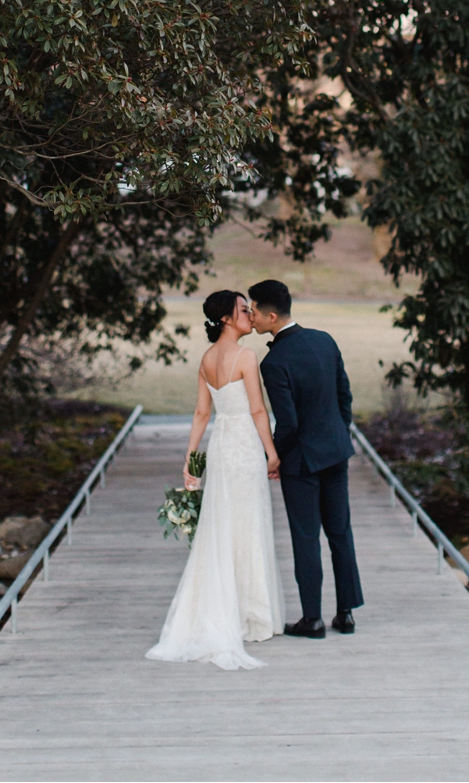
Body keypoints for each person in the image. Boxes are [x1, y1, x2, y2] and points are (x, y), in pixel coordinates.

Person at [145, 289, 285, 670]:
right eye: (243, 310)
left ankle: (231, 609)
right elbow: (258, 409)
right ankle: (251, 616)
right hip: (243, 449)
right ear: (226, 318)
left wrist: (192, 460)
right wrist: (271, 452)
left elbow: (201, 415)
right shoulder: (246, 356)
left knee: (223, 524)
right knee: (248, 524)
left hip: (222, 449)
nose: (249, 315)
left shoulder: (207, 360)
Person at [249, 279, 364, 638]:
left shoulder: (273, 362)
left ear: (270, 316)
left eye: (253, 311)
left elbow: (289, 423)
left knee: (305, 537)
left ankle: (312, 619)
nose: (250, 318)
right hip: (335, 451)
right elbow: (344, 396)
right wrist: (336, 434)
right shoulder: (324, 339)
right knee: (340, 532)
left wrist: (276, 457)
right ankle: (345, 615)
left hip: (301, 461)